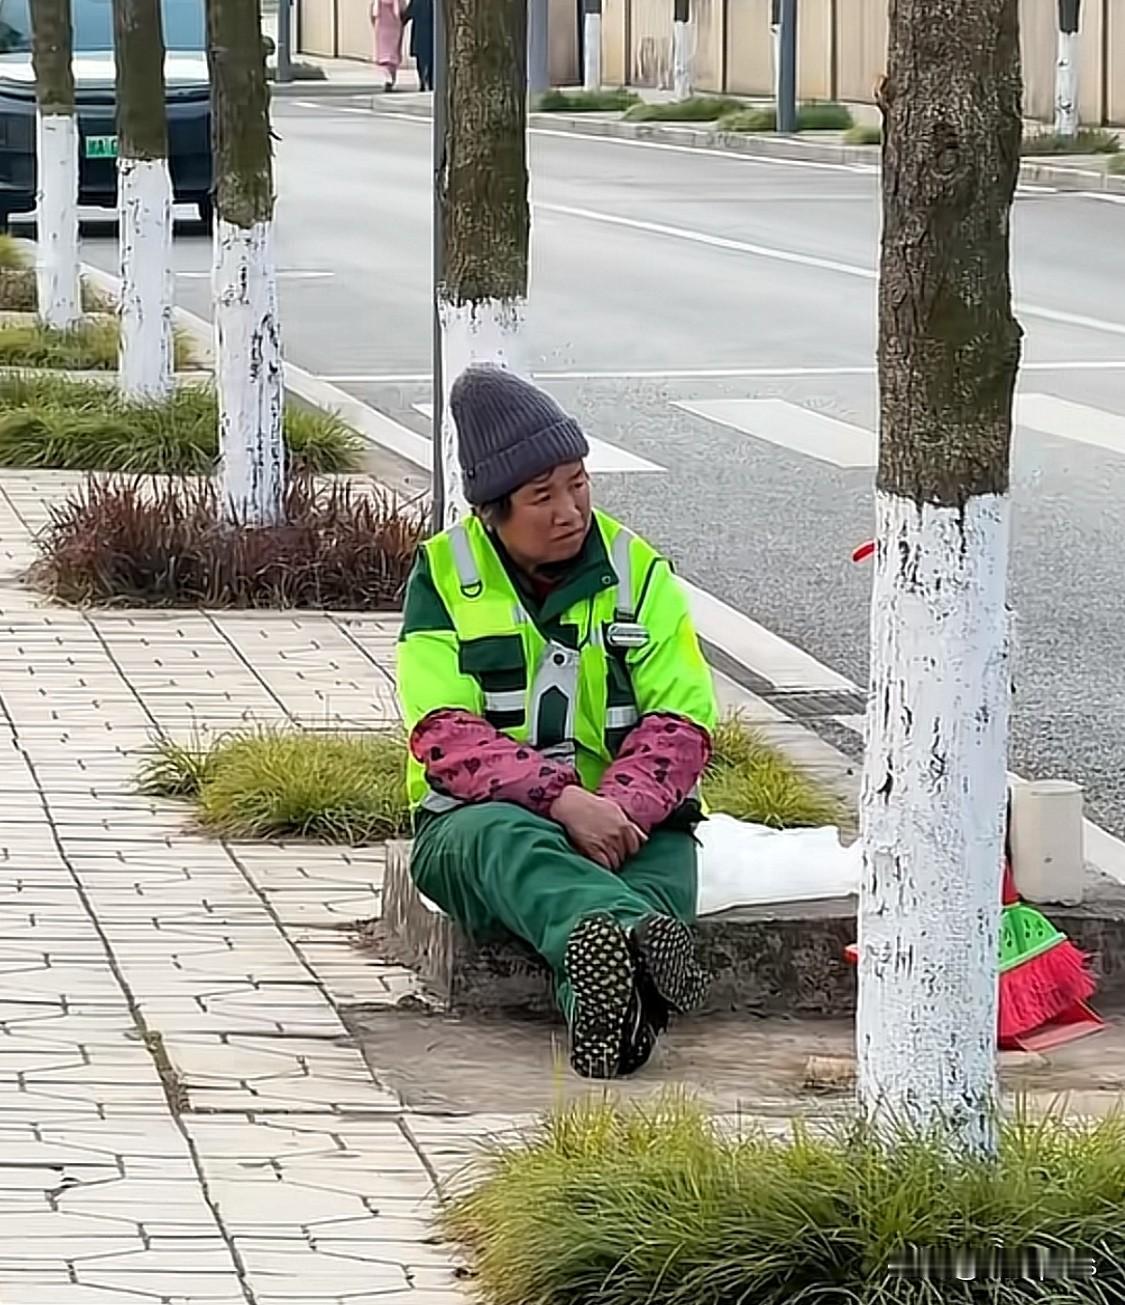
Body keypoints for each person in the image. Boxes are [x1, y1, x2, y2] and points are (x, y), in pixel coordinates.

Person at [396, 366, 719, 1080]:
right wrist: (564, 803)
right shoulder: (444, 576)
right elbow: (442, 730)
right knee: (511, 844)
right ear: (491, 511)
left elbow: (682, 720)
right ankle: (632, 936)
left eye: (577, 482)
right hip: (477, 824)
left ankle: (608, 1010)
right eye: (541, 496)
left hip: (634, 822)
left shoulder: (638, 571)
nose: (569, 508)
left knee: (654, 875)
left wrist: (617, 811)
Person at [371, 0, 404, 92]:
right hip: (392, 22)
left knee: (385, 52)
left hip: (383, 22)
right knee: (391, 51)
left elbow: (373, 11)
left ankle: (389, 78)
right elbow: (402, 10)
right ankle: (390, 77)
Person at [403, 0, 433, 92]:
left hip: (419, 32)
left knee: (420, 60)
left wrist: (401, 21)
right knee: (431, 59)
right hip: (431, 33)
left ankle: (422, 80)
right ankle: (430, 81)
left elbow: (409, 13)